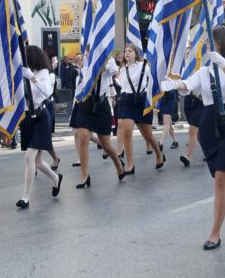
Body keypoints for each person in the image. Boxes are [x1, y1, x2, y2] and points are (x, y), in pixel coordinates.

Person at [166, 25, 225, 250]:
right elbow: (189, 85)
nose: (206, 45)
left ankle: (215, 233)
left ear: (221, 43)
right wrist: (175, 85)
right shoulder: (205, 70)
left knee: (222, 178)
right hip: (210, 125)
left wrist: (223, 65)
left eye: (210, 41)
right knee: (220, 178)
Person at [16, 46, 63, 209]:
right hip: (28, 117)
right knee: (37, 160)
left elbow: (47, 92)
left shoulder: (43, 73)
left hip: (41, 116)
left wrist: (32, 79)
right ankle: (56, 178)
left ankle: (25, 197)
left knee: (29, 157)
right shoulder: (23, 73)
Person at [70, 52, 126, 187]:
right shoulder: (85, 63)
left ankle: (118, 164)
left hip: (101, 104)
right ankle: (84, 175)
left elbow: (113, 71)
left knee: (105, 144)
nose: (88, 53)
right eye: (87, 52)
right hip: (85, 103)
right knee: (83, 137)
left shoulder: (107, 59)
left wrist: (103, 59)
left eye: (90, 51)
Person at [115, 44, 164, 174]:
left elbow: (155, 79)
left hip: (141, 101)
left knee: (147, 134)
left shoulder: (143, 66)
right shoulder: (121, 69)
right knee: (127, 132)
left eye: (130, 51)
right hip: (126, 101)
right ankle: (130, 164)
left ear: (136, 53)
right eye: (125, 51)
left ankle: (159, 154)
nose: (127, 53)